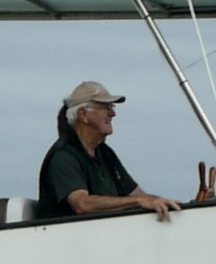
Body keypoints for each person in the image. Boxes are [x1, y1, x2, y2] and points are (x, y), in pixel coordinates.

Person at [38, 81, 181, 220]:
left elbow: (139, 196)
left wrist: (166, 204)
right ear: (83, 115)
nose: (112, 114)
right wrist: (138, 202)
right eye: (106, 107)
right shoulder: (63, 156)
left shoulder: (105, 153)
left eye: (111, 107)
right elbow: (81, 204)